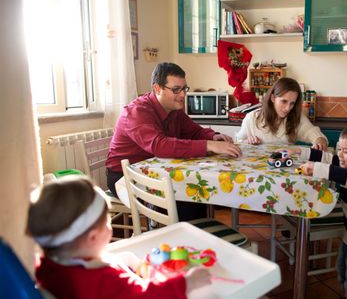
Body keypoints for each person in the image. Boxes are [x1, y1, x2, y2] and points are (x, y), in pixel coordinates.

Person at [26, 176, 211, 299]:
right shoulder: (105, 280)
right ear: (92, 237)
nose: (110, 224)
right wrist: (188, 282)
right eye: (106, 220)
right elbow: (145, 296)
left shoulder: (46, 263)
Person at [106, 62, 242, 221]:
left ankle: (195, 237)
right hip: (123, 176)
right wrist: (210, 145)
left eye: (184, 88)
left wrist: (213, 136)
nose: (183, 95)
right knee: (187, 198)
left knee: (195, 191)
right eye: (176, 90)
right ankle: (183, 240)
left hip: (156, 171)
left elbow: (194, 131)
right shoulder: (136, 111)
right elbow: (160, 145)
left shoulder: (173, 110)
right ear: (157, 88)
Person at [285, 123, 347, 299]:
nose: (340, 155)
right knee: (343, 273)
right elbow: (327, 158)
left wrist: (316, 169)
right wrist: (300, 151)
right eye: (339, 149)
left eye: (345, 151)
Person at [235, 77, 328, 150]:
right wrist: (247, 142)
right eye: (284, 101)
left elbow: (313, 133)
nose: (288, 108)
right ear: (273, 98)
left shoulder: (296, 118)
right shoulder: (251, 118)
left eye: (292, 103)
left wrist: (320, 141)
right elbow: (238, 142)